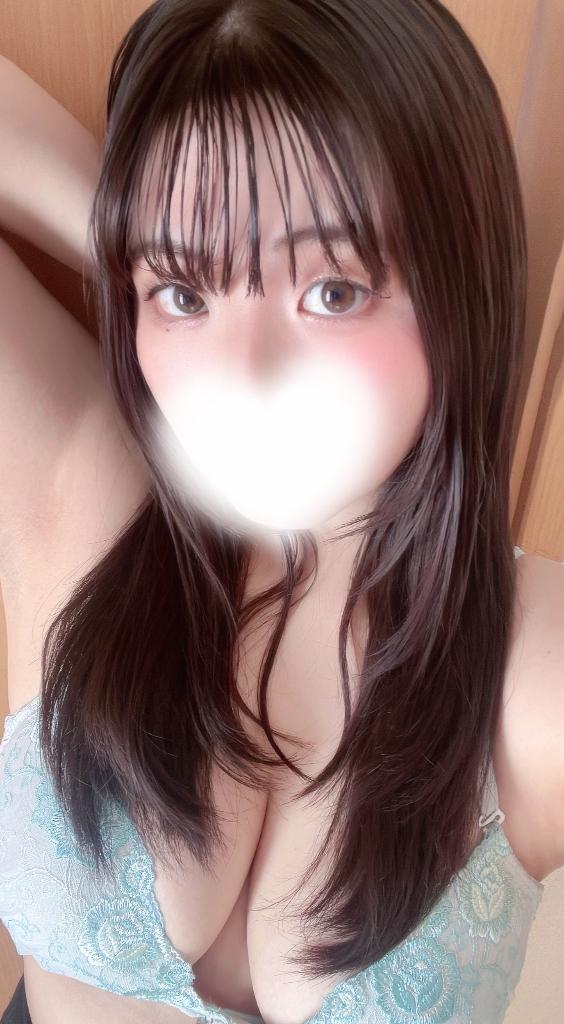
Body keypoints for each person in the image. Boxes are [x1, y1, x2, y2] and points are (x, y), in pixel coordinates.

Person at [1, 2, 563, 1023]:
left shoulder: (533, 659)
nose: (242, 374)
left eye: (334, 291)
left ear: (460, 294)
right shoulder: (84, 477)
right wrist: (133, 235)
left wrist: (203, 266)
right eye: (184, 297)